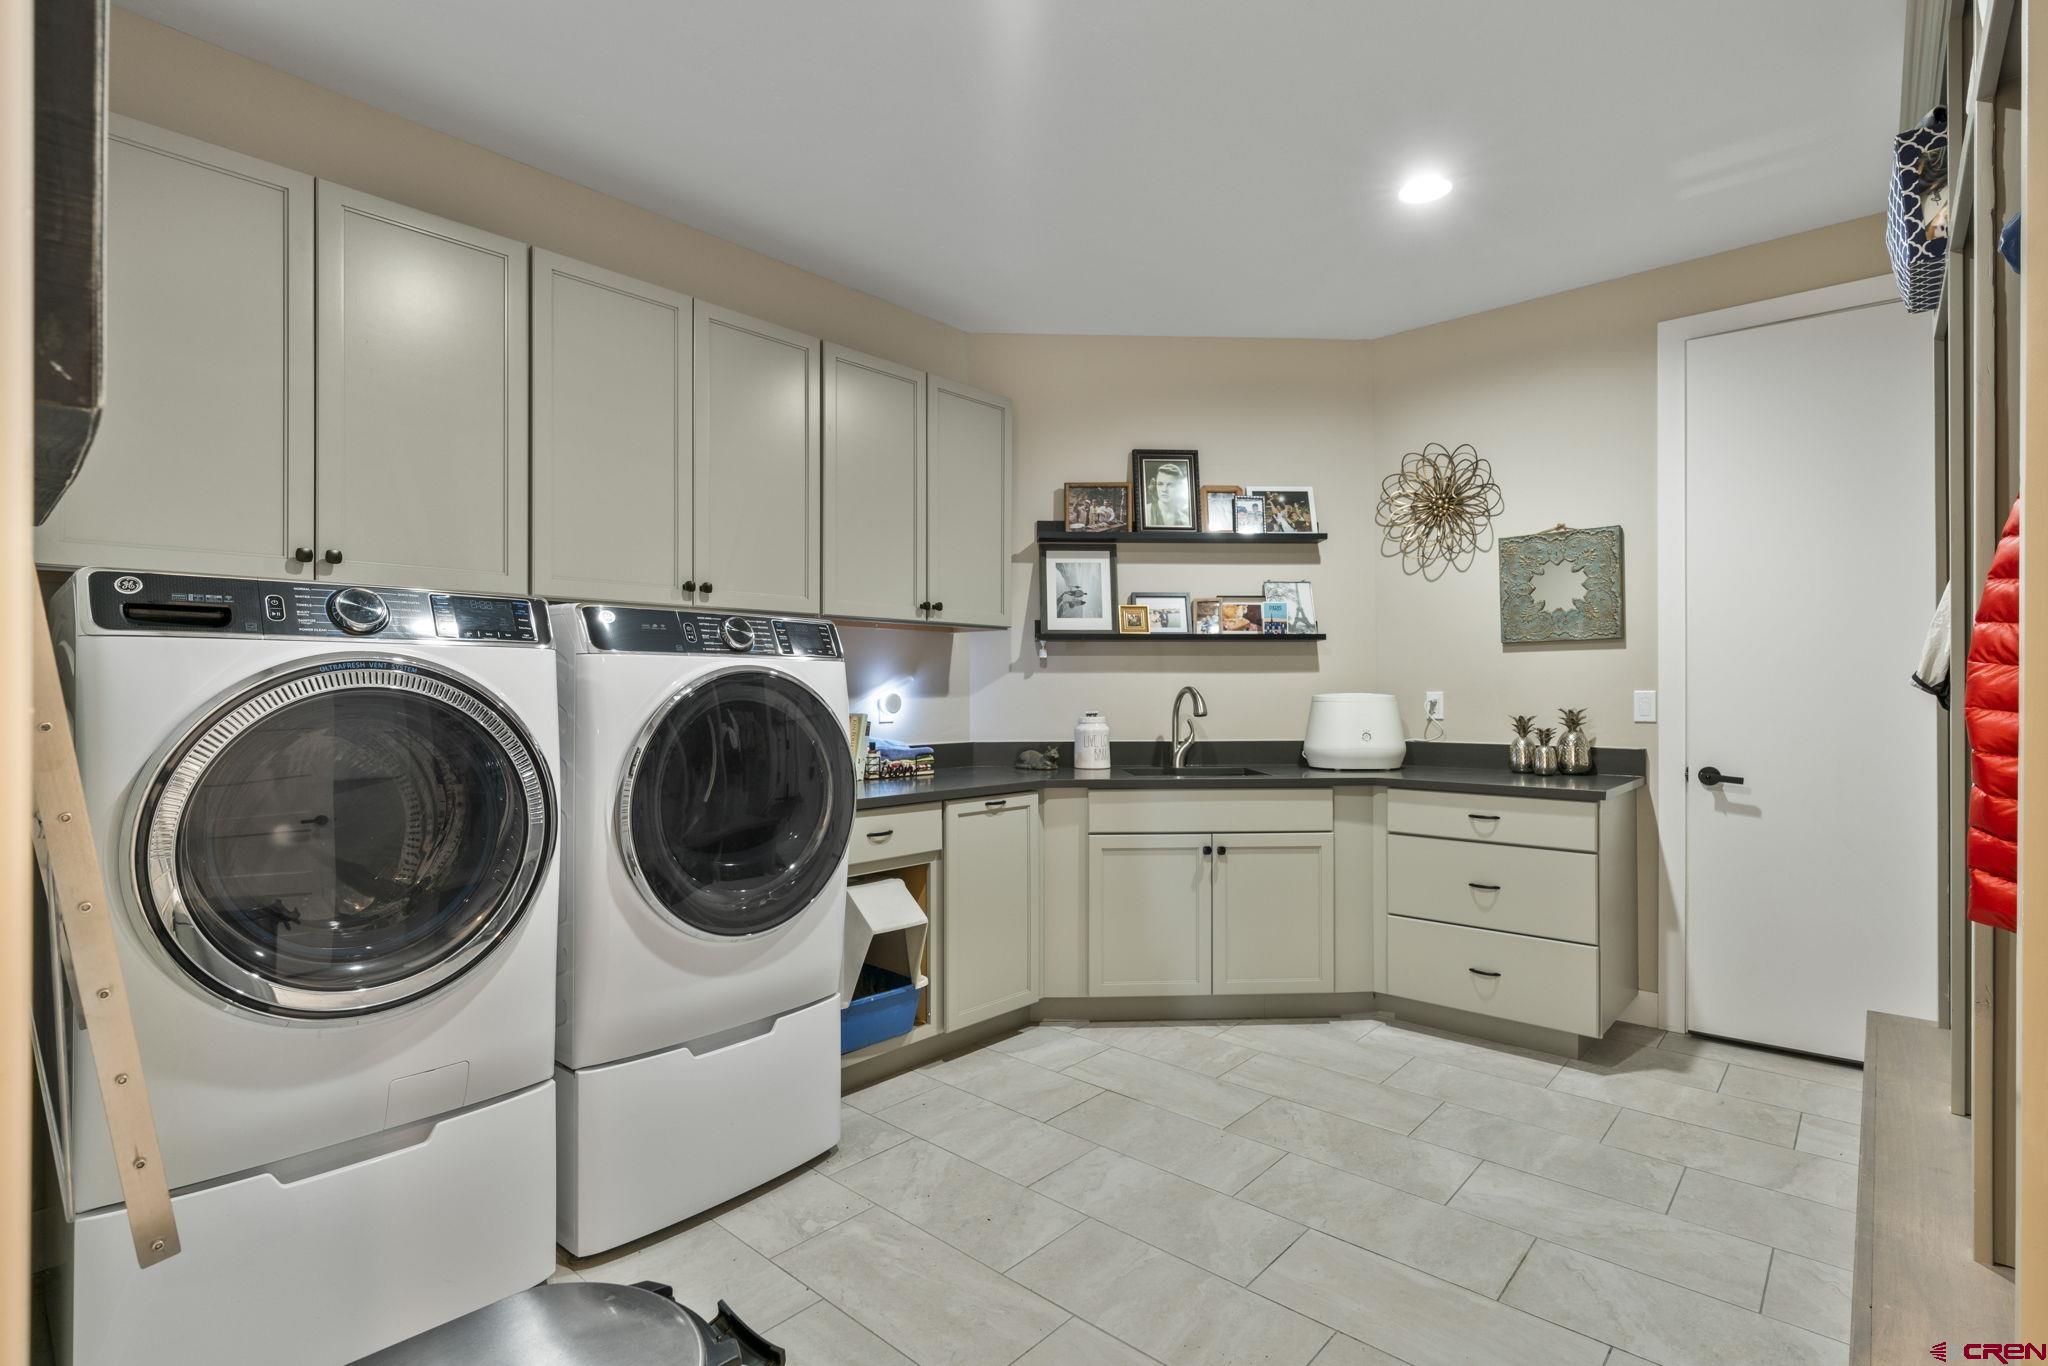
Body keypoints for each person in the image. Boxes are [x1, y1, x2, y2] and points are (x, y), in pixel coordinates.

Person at [1146, 462, 1190, 528]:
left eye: (1170, 485)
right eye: (1160, 484)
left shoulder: (1186, 521)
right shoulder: (1145, 513)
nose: (1164, 489)